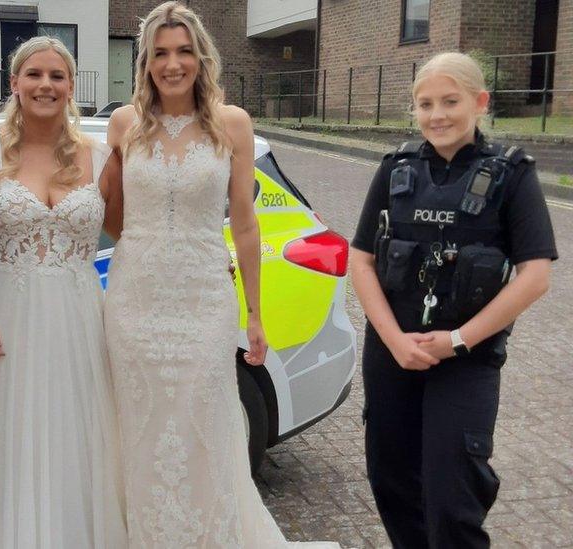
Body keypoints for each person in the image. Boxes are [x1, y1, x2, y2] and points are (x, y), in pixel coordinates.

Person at [104, 3, 338, 547]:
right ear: (145, 61)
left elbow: (248, 224)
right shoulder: (124, 123)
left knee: (203, 424)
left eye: (183, 50)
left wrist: (255, 314)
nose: (172, 63)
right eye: (160, 53)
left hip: (205, 298)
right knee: (139, 427)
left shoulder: (232, 124)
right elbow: (112, 216)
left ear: (201, 56)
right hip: (135, 297)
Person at [351, 51, 556, 548]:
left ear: (479, 102)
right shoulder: (394, 169)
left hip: (467, 357)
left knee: (452, 492)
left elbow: (535, 275)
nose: (436, 115)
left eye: (450, 101)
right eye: (425, 104)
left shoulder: (511, 175)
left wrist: (458, 341)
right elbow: (361, 261)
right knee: (390, 479)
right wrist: (395, 340)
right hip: (394, 352)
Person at [0, 36, 127, 548]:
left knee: (82, 441)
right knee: (16, 445)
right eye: (34, 74)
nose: (45, 85)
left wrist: (202, 257)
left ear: (71, 86)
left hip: (80, 319)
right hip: (2, 322)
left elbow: (131, 234)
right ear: (14, 83)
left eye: (57, 76)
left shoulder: (101, 159)